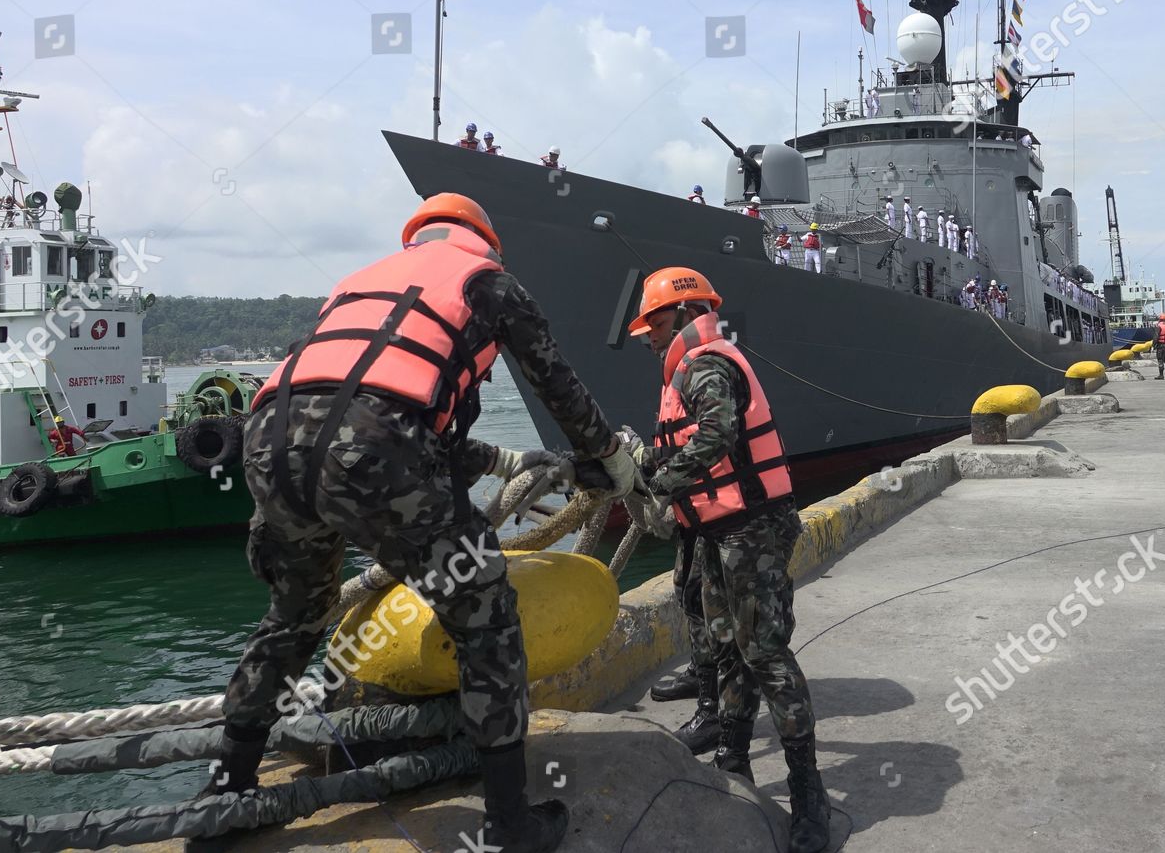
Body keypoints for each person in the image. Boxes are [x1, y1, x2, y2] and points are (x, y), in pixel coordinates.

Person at [201, 193, 638, 853]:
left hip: (268, 444)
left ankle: (223, 800)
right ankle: (509, 822)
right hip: (375, 447)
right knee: (484, 614)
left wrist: (510, 458)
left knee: (294, 619)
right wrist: (608, 458)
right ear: (485, 242)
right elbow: (559, 386)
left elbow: (365, 411)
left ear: (415, 239)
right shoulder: (487, 281)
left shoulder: (356, 287)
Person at [623, 267, 831, 852]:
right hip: (717, 530)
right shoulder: (687, 367)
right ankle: (734, 762)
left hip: (752, 529)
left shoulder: (707, 364)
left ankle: (807, 791)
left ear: (687, 316)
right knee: (726, 644)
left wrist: (656, 482)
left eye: (657, 324)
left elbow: (717, 433)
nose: (651, 338)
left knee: (762, 650)